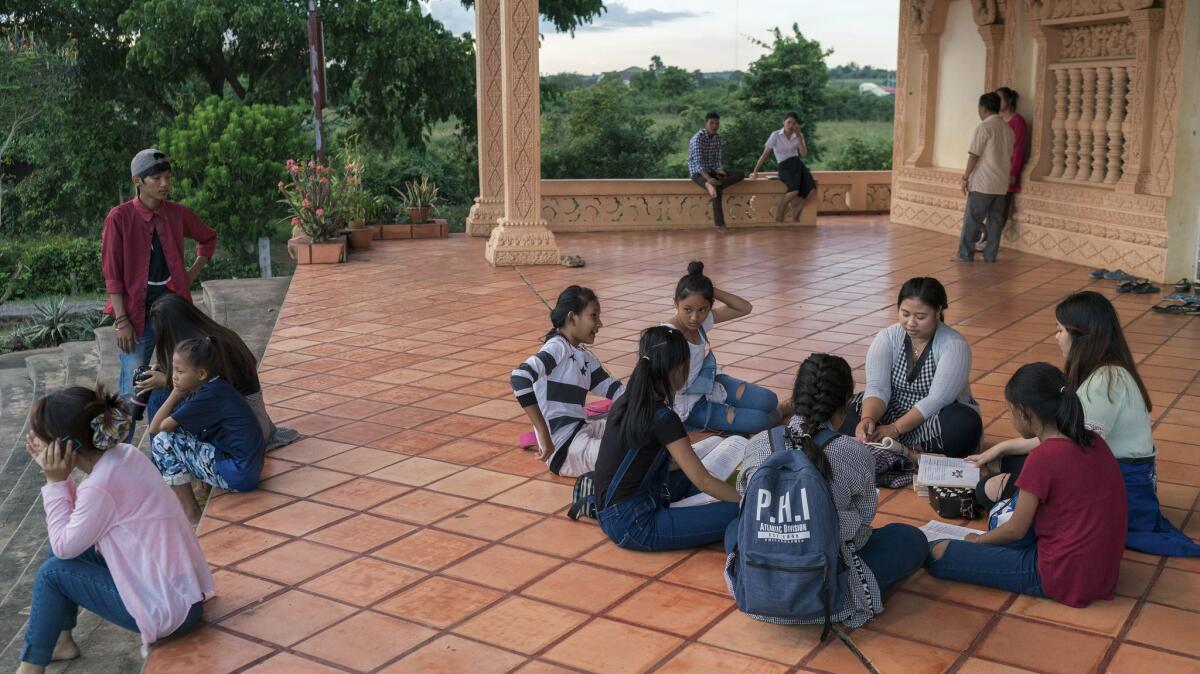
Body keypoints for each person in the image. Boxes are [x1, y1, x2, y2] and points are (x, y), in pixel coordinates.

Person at [969, 292, 1200, 556]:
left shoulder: (1105, 382)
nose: (1056, 337)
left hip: (1120, 487)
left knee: (987, 489)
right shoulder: (1105, 371)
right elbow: (1067, 436)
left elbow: (1074, 451)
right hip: (1108, 470)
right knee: (1002, 462)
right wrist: (1004, 447)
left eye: (1059, 330)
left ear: (1080, 336)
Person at [15, 386, 211, 674]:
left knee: (53, 572)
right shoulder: (124, 455)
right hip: (183, 591)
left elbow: (63, 544)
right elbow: (70, 536)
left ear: (66, 446)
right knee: (62, 551)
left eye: (44, 440)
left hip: (169, 608)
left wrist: (55, 482)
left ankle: (29, 669)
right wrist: (61, 479)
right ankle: (59, 641)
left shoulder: (101, 486)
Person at [728, 354, 928, 627]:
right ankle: (846, 597)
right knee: (909, 538)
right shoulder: (853, 451)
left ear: (795, 398)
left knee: (733, 529)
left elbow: (746, 501)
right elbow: (862, 520)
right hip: (826, 586)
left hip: (758, 584)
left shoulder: (760, 442)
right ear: (845, 406)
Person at [927, 363, 1126, 607]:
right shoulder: (1092, 439)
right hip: (1102, 572)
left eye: (1010, 411)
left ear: (1025, 413)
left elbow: (1015, 530)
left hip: (1060, 575)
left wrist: (977, 541)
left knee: (938, 552)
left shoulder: (1043, 458)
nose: (1010, 417)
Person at [593, 326, 745, 551]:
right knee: (742, 511)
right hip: (635, 525)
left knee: (695, 474)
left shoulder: (627, 401)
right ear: (677, 370)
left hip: (615, 509)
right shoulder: (664, 418)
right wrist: (749, 500)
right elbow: (703, 481)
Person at [103, 149, 217, 403]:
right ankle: (124, 443)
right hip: (135, 318)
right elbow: (113, 275)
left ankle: (179, 437)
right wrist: (122, 321)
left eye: (168, 177)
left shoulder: (177, 213)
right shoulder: (119, 218)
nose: (165, 184)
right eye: (157, 179)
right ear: (138, 181)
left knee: (189, 378)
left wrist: (191, 273)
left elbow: (207, 237)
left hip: (174, 313)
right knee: (131, 392)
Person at [840, 277, 982, 457]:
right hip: (890, 410)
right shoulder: (888, 338)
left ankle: (895, 445)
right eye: (905, 314)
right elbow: (877, 387)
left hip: (932, 419)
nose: (911, 323)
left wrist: (895, 429)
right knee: (844, 412)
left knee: (964, 425)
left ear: (938, 311)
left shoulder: (954, 345)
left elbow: (938, 399)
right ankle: (896, 445)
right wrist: (868, 419)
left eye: (920, 317)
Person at [137, 293, 297, 448]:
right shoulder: (212, 338)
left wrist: (165, 381)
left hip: (245, 431)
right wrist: (166, 370)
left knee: (160, 396)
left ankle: (162, 461)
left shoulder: (212, 351)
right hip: (251, 419)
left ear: (172, 331)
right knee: (166, 396)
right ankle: (163, 458)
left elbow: (210, 393)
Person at [149, 337, 266, 524]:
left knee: (163, 442)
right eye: (173, 371)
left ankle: (191, 514)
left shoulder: (209, 395)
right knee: (181, 431)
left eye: (180, 371)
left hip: (238, 473)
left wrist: (176, 392)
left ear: (201, 374)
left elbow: (157, 428)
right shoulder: (215, 387)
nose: (174, 377)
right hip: (245, 468)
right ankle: (201, 488)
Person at [512, 286, 625, 477]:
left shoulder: (583, 356)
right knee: (632, 456)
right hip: (564, 450)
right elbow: (519, 378)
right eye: (594, 316)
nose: (600, 324)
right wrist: (543, 432)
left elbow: (618, 391)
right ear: (572, 318)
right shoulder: (557, 348)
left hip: (583, 429)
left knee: (638, 431)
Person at [666, 261, 783, 434]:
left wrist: (711, 289)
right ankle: (784, 411)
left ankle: (773, 413)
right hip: (688, 404)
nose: (694, 317)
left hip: (709, 382)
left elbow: (744, 308)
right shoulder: (666, 336)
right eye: (687, 309)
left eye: (702, 310)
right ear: (676, 303)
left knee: (768, 400)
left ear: (709, 307)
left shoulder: (702, 321)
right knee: (760, 421)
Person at [953, 92, 1014, 263]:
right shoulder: (1008, 129)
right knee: (995, 221)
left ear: (983, 108)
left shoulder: (984, 128)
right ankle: (990, 255)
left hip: (983, 183)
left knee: (972, 220)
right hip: (1001, 184)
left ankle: (965, 254)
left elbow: (974, 155)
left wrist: (965, 177)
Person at [976, 86, 1028, 253]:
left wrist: (1013, 173)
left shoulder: (1017, 121)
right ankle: (984, 238)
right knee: (983, 208)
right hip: (989, 173)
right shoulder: (994, 121)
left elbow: (1019, 149)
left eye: (1001, 99)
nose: (998, 102)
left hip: (1005, 173)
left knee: (1000, 211)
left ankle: (990, 242)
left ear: (1010, 100)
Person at [750, 112, 817, 222]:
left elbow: (804, 153)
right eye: (788, 122)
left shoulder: (798, 135)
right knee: (794, 190)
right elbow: (765, 154)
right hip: (784, 166)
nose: (791, 125)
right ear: (784, 122)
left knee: (811, 189)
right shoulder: (775, 135)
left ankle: (797, 210)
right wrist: (755, 171)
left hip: (797, 164)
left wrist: (799, 136)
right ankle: (781, 208)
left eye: (794, 123)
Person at [688, 112, 744, 233]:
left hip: (713, 171)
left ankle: (716, 184)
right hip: (699, 174)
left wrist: (720, 171)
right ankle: (720, 225)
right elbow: (698, 164)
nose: (715, 126)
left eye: (717, 123)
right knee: (717, 192)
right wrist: (708, 179)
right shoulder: (697, 139)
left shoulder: (717, 137)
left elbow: (717, 159)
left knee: (740, 174)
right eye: (712, 123)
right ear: (706, 123)